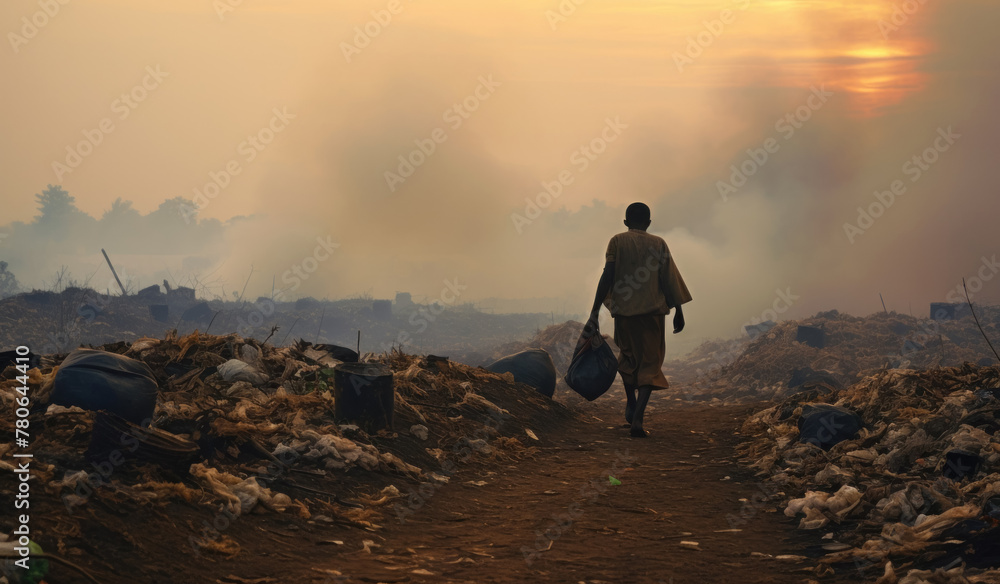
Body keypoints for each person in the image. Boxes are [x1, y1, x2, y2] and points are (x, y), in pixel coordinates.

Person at [582, 202, 692, 438]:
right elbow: (670, 278)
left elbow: (607, 276)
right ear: (649, 223)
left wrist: (594, 311)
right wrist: (679, 311)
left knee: (628, 359)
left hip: (624, 314)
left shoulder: (616, 241)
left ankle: (631, 403)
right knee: (650, 365)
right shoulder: (659, 244)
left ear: (625, 222)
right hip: (652, 316)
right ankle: (638, 418)